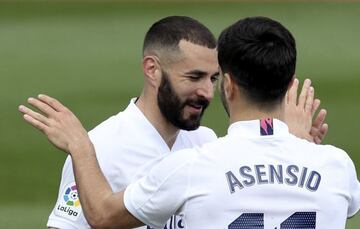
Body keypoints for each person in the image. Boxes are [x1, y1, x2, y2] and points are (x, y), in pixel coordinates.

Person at [19, 17, 331, 229]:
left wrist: (294, 149)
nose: (207, 93)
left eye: (213, 78)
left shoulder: (207, 143)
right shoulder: (101, 148)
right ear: (152, 70)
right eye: (193, 77)